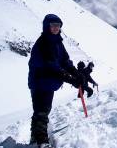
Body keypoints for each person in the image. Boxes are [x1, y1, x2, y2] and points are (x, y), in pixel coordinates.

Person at [28, 14, 84, 148]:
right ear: (47, 26)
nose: (55, 28)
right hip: (40, 81)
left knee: (42, 110)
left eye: (58, 26)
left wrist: (75, 72)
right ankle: (42, 141)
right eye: (53, 25)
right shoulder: (43, 43)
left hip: (48, 82)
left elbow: (65, 60)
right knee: (42, 110)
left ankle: (34, 137)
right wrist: (72, 80)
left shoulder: (57, 42)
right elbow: (52, 67)